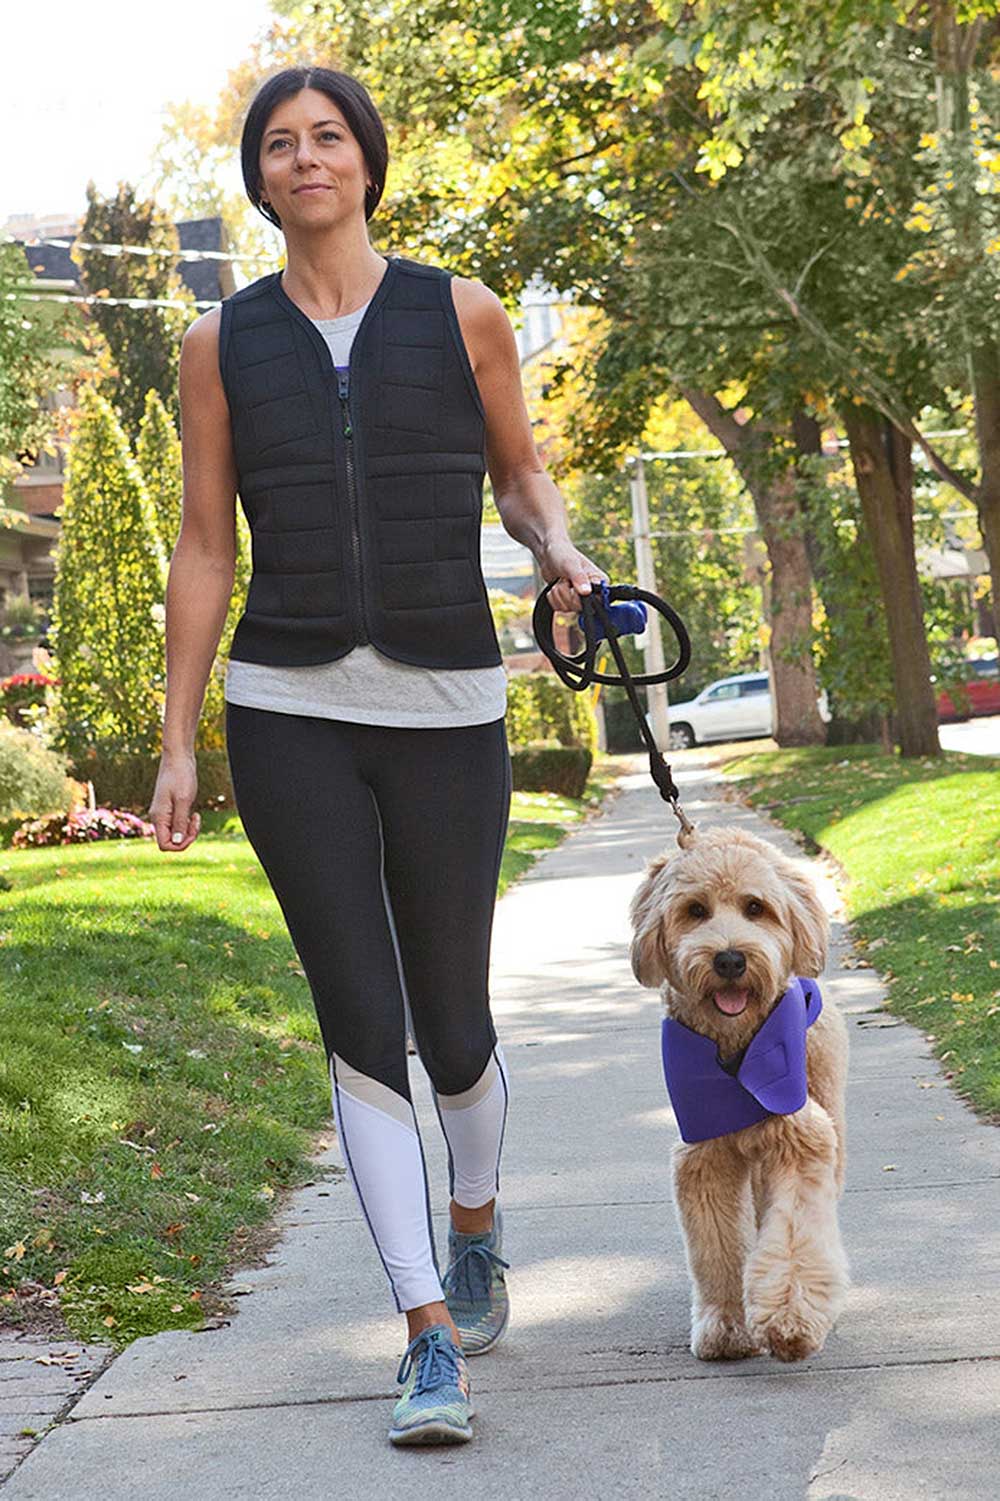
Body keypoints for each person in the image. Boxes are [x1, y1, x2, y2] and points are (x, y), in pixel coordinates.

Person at [149, 63, 607, 1448]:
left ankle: (475, 1221)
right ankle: (424, 1335)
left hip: (448, 704)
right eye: (280, 144)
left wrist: (561, 549)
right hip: (286, 708)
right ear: (259, 177)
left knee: (453, 1026)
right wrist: (178, 739)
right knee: (361, 1019)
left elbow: (518, 475)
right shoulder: (222, 341)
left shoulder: (460, 313)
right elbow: (206, 543)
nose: (306, 159)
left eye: (328, 137)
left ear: (367, 160)